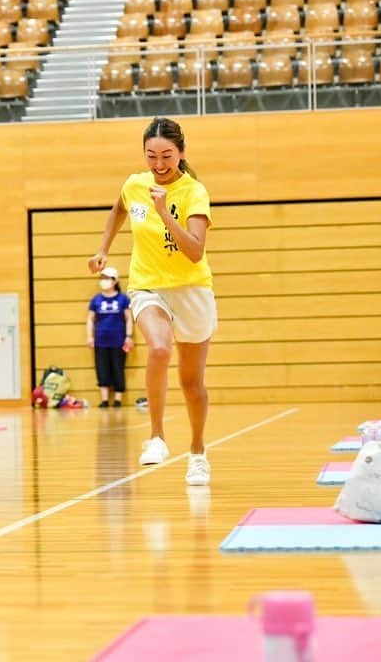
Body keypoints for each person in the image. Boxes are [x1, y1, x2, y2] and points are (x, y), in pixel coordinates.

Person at [89, 117, 216, 487]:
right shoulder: (135, 184)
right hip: (148, 286)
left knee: (192, 384)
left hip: (191, 289)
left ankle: (197, 452)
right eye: (151, 156)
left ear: (181, 153)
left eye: (167, 156)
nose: (159, 164)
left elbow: (194, 252)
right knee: (159, 349)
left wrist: (163, 214)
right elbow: (119, 209)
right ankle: (157, 436)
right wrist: (102, 250)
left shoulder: (194, 192)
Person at [86, 265, 133, 408]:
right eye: (102, 278)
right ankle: (105, 400)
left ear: (115, 281)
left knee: (118, 368)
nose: (104, 281)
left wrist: (129, 336)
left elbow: (129, 318)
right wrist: (90, 336)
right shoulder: (96, 300)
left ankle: (118, 400)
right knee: (102, 369)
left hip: (118, 341)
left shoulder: (123, 299)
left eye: (107, 278)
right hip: (101, 341)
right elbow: (90, 319)